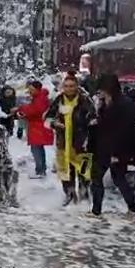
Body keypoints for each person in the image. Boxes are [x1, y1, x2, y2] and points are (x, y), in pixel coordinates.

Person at [89, 74, 135, 218]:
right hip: (104, 147)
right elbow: (106, 124)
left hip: (117, 148)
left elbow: (126, 129)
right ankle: (97, 210)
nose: (100, 92)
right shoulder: (106, 103)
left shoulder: (123, 104)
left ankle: (131, 209)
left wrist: (117, 154)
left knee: (116, 178)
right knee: (101, 177)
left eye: (102, 89)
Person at [46, 74, 96, 206]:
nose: (69, 89)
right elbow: (47, 118)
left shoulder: (85, 100)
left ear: (77, 86)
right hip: (63, 142)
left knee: (84, 171)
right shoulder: (58, 100)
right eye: (66, 86)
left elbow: (94, 118)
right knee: (65, 171)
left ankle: (84, 194)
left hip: (82, 142)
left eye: (72, 86)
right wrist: (54, 123)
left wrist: (89, 126)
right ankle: (69, 193)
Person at [15, 80, 53, 178]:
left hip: (38, 127)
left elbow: (35, 110)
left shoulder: (40, 98)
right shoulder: (39, 97)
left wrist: (22, 109)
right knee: (39, 148)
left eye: (32, 89)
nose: (30, 91)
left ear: (37, 89)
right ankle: (41, 169)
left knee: (36, 149)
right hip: (37, 126)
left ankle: (40, 171)